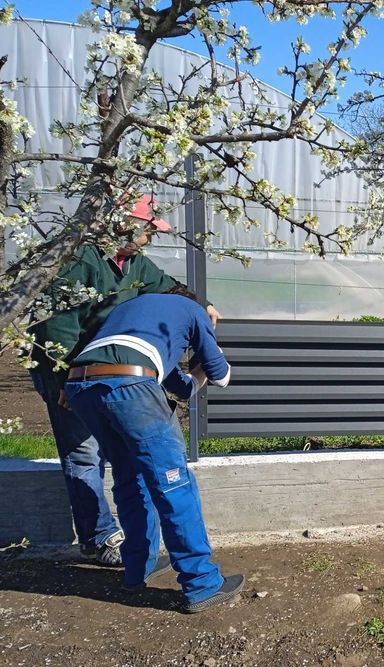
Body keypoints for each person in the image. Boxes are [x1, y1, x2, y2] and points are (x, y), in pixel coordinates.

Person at [29, 194, 221, 565]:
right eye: (146, 230)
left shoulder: (133, 263)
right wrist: (65, 381)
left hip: (108, 369)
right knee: (84, 454)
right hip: (68, 369)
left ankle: (133, 550)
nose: (149, 238)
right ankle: (98, 537)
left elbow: (166, 286)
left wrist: (201, 304)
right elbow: (56, 330)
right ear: (119, 222)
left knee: (118, 454)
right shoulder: (76, 260)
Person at [64, 292, 244, 613]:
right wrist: (208, 347)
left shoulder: (137, 317)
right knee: (174, 484)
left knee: (130, 477)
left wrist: (193, 370)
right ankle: (201, 583)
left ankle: (137, 569)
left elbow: (184, 387)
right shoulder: (194, 310)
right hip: (131, 384)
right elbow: (222, 376)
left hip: (82, 385)